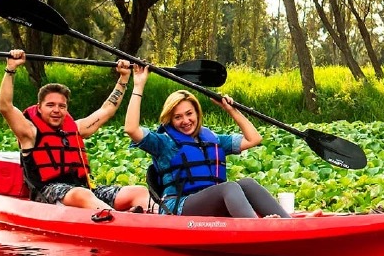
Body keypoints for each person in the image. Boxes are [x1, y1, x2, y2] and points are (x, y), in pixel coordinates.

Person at [124, 64, 293, 218]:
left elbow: (254, 139)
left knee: (247, 183)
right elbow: (131, 129)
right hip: (178, 207)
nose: (185, 120)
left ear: (197, 113)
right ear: (170, 120)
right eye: (178, 117)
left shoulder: (213, 139)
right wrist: (138, 85)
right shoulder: (163, 143)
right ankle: (257, 228)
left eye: (189, 114)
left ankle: (287, 223)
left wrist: (231, 109)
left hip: (211, 202)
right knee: (229, 187)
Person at [0, 50, 149, 212]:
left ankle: (157, 224)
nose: (57, 110)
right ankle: (122, 221)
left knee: (138, 191)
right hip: (48, 195)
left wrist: (124, 77)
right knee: (81, 194)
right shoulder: (29, 133)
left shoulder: (76, 129)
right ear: (39, 108)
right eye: (50, 105)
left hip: (84, 191)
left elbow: (107, 110)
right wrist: (11, 68)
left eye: (61, 106)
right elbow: (5, 106)